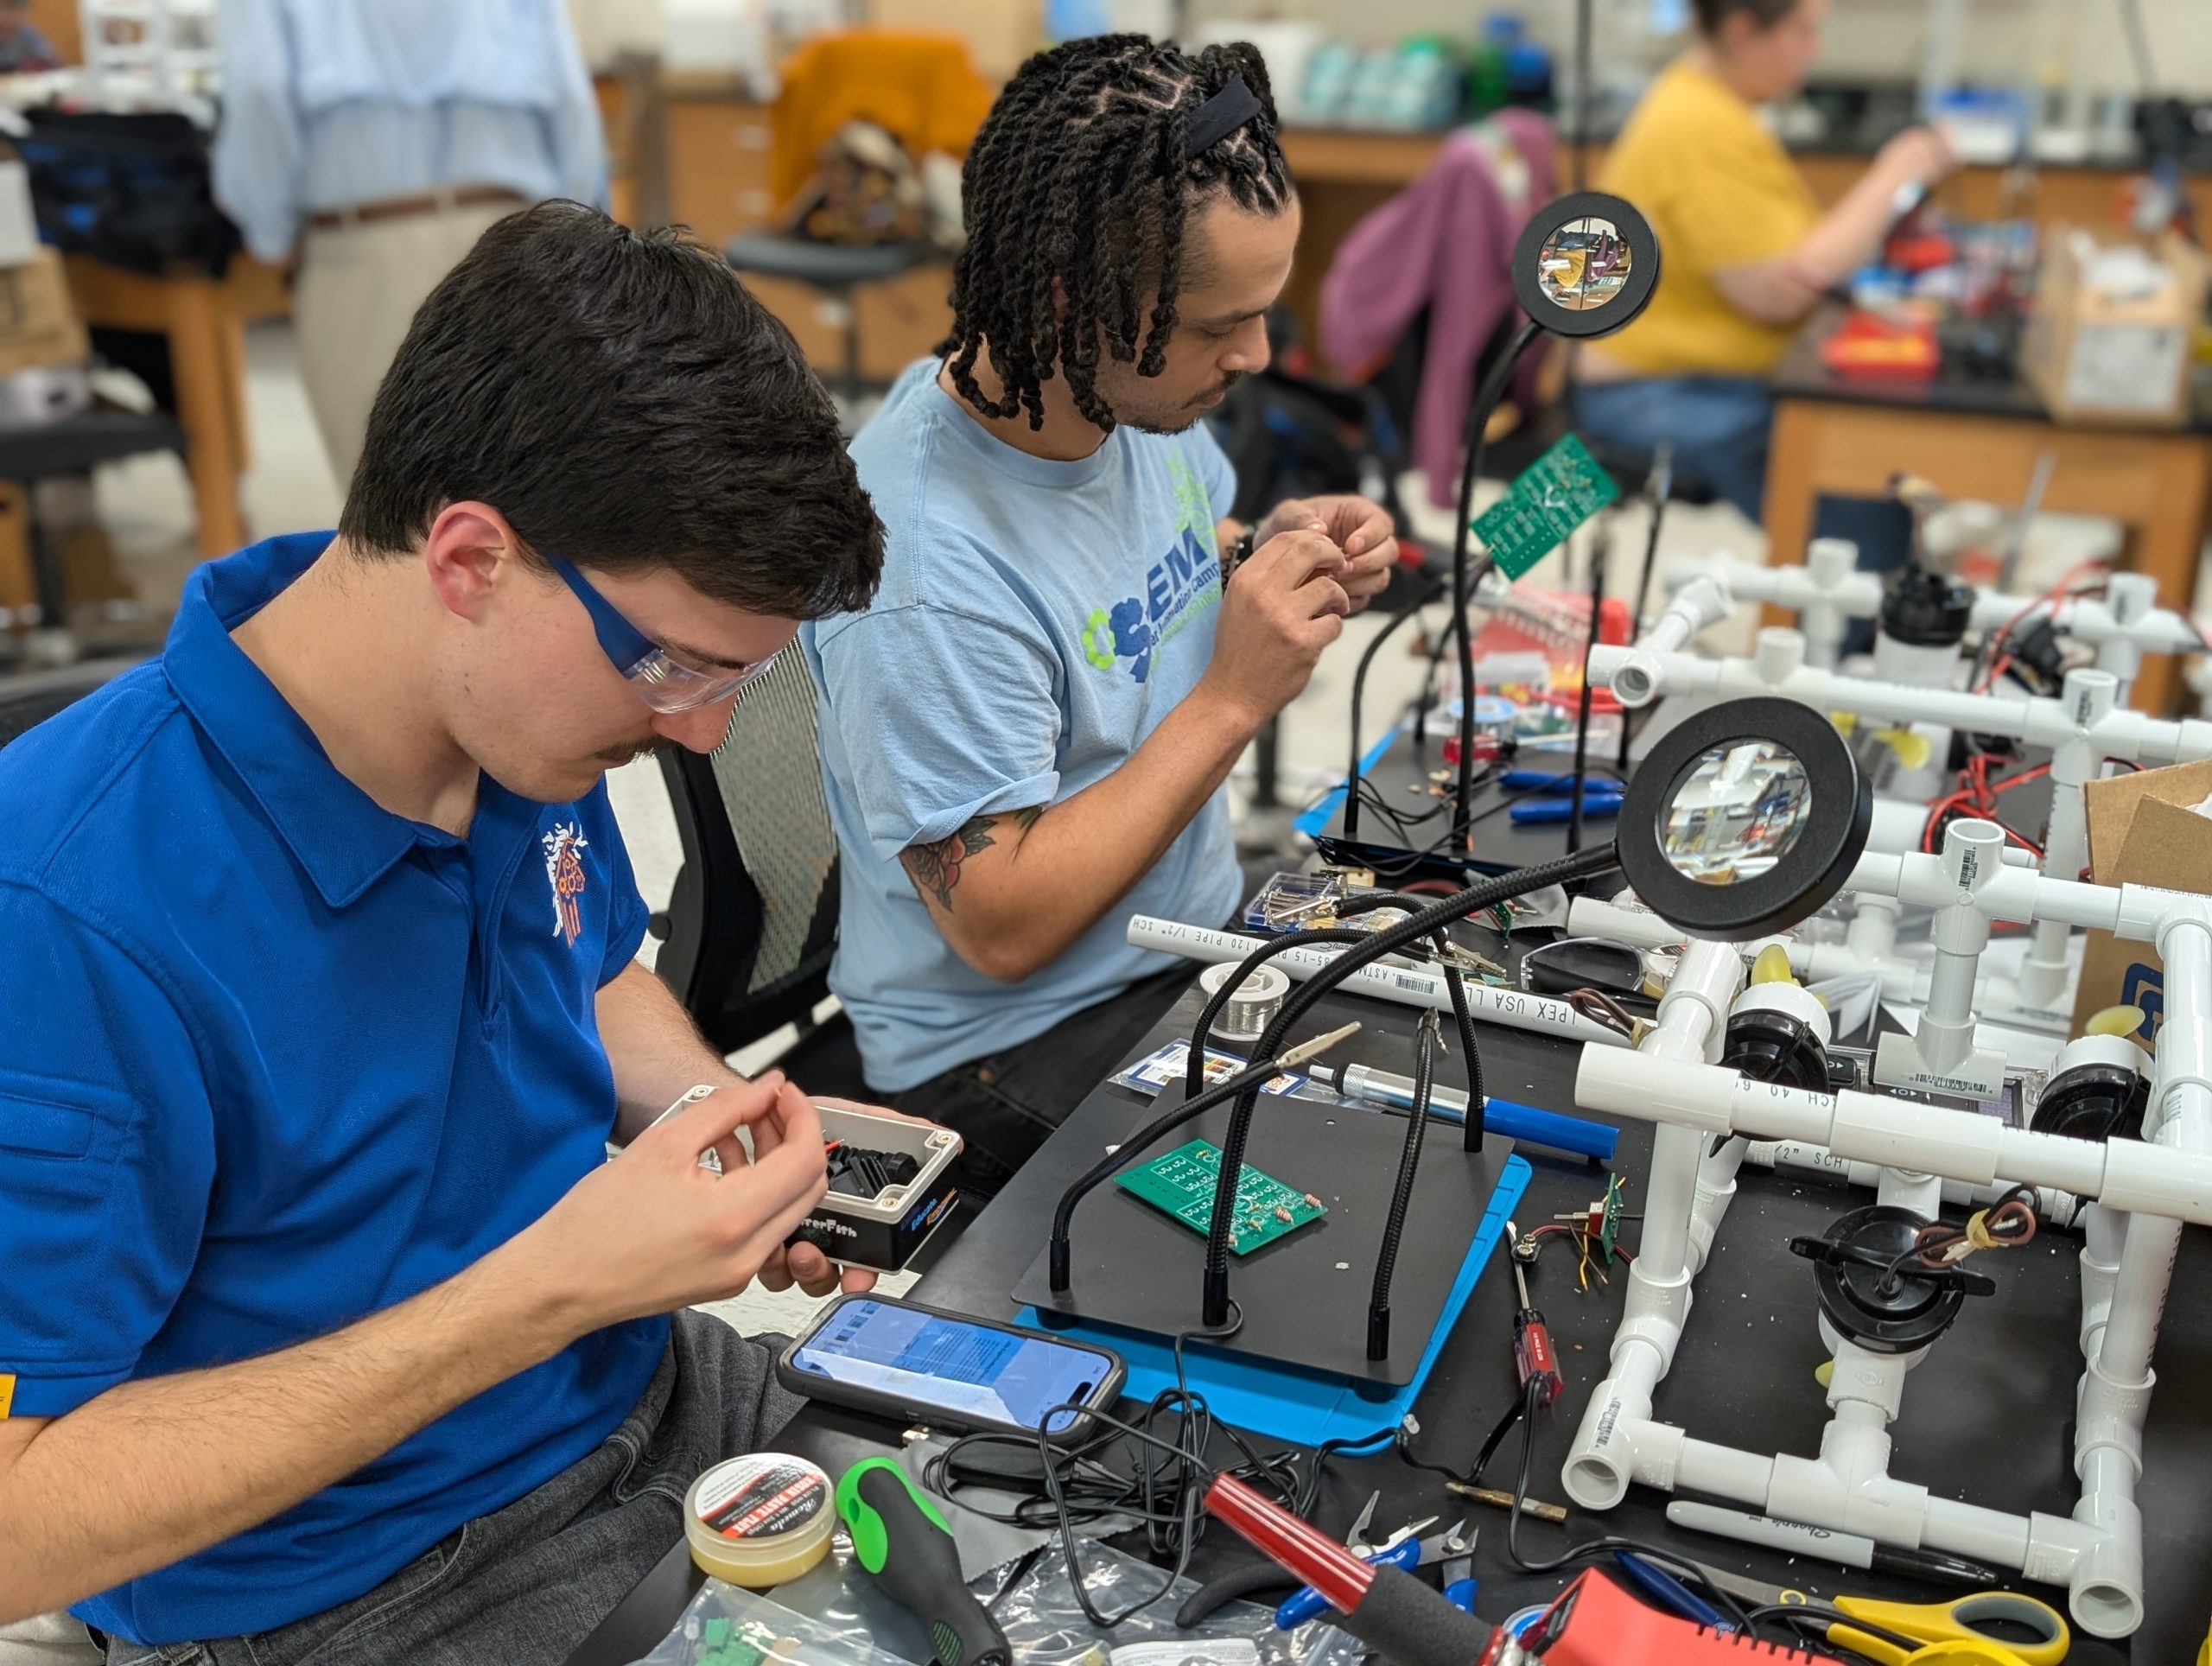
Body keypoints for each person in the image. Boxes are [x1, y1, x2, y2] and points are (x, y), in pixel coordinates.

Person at [0, 204, 887, 1666]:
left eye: (738, 675)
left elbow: (586, 963)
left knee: (1089, 1525)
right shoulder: (66, 911)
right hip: (365, 1577)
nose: (705, 732)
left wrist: (720, 1123)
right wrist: (555, 1280)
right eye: (672, 663)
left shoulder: (501, 721)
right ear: (470, 556)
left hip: (661, 1396)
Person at [805, 35, 1401, 1197]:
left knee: (1457, 1052)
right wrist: (1235, 695)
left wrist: (1273, 551)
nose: (1258, 354)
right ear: (1069, 301)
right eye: (1218, 324)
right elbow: (1004, 925)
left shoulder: (1118, 401)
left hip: (1182, 938)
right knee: (1359, 1188)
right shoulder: (922, 567)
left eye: (1265, 310)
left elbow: (1166, 563)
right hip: (999, 1050)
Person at [1572, 0, 1958, 523]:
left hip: (1688, 381)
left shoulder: (1709, 106)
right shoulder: (1699, 125)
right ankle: (1851, 597)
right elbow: (1781, 292)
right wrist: (1896, 173)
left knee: (1869, 454)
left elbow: (1787, 257)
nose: (1813, 50)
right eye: (1803, 32)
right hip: (1654, 392)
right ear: (1741, 29)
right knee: (1857, 478)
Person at [213, 0, 607, 482]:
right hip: (517, 237)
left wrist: (267, 228)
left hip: (363, 246)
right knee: (532, 490)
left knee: (392, 511)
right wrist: (581, 234)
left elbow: (261, 90)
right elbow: (572, 104)